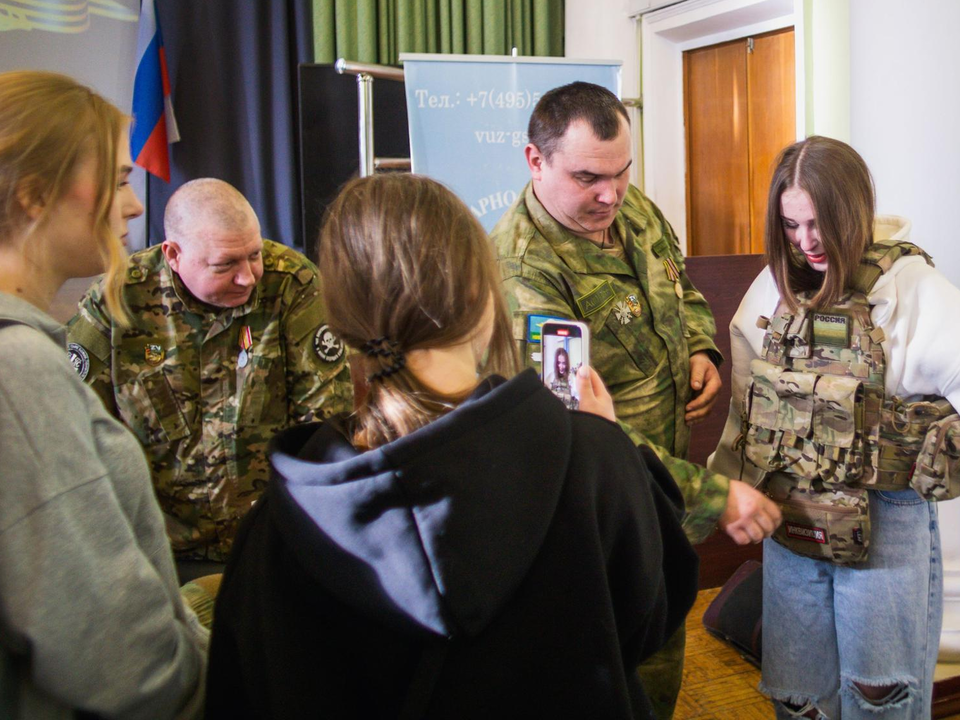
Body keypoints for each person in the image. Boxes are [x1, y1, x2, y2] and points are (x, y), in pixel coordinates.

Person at [206, 173, 700, 719]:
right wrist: (612, 446)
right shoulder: (590, 460)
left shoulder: (280, 523)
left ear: (341, 316)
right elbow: (650, 617)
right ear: (479, 294)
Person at [491, 80, 780, 717]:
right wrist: (711, 495)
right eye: (589, 177)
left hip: (659, 497)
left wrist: (701, 346)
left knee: (661, 652)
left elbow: (681, 288)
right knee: (614, 680)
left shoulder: (630, 207)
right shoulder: (523, 273)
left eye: (622, 172)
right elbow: (576, 428)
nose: (611, 194)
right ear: (536, 161)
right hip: (596, 513)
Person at [709, 135, 960, 719]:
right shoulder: (775, 285)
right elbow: (748, 403)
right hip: (790, 505)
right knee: (799, 696)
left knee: (882, 692)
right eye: (791, 226)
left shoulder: (909, 285)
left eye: (818, 223)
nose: (806, 242)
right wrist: (726, 487)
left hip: (884, 511)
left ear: (852, 209)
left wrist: (937, 454)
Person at [0, 70, 207, 718]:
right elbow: (115, 662)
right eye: (118, 180)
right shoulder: (18, 372)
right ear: (34, 195)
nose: (135, 204)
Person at [67, 178, 353, 579]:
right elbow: (75, 427)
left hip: (268, 543)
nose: (248, 277)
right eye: (225, 265)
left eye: (254, 256)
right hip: (156, 550)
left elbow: (325, 423)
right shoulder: (118, 299)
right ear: (173, 254)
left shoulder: (291, 283)